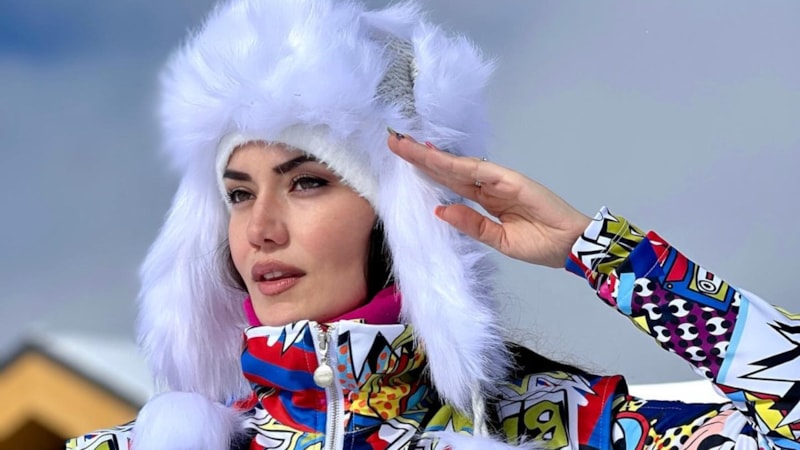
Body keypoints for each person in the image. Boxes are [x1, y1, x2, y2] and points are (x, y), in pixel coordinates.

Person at [67, 0, 798, 449]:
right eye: (237, 193)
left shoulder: (563, 430)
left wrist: (596, 251)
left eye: (308, 182)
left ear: (397, 220)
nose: (260, 229)